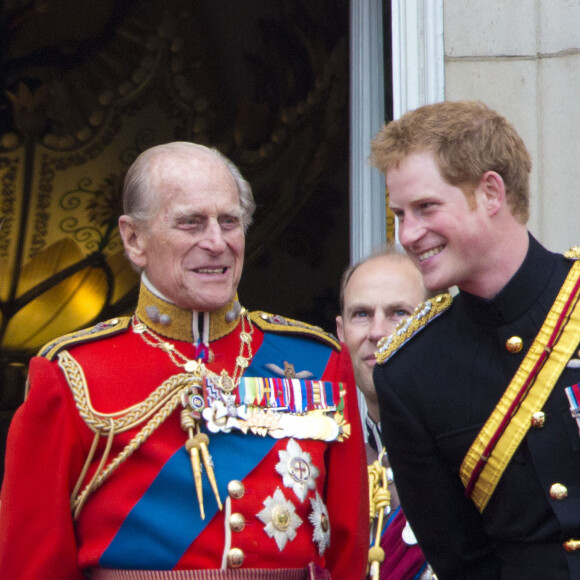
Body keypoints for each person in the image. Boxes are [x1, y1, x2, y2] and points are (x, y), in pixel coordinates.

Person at [0, 142, 368, 580]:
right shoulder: (73, 373)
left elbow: (348, 548)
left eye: (229, 222)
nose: (216, 243)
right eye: (191, 223)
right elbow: (33, 564)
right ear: (134, 239)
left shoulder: (318, 361)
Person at [369, 100, 580, 579]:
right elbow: (462, 562)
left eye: (425, 208)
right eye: (399, 214)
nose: (408, 233)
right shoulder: (408, 372)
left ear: (490, 193)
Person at [336, 248, 433, 580]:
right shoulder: (327, 461)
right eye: (361, 314)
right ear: (340, 332)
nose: (377, 332)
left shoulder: (476, 447)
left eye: (398, 313)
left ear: (434, 323)